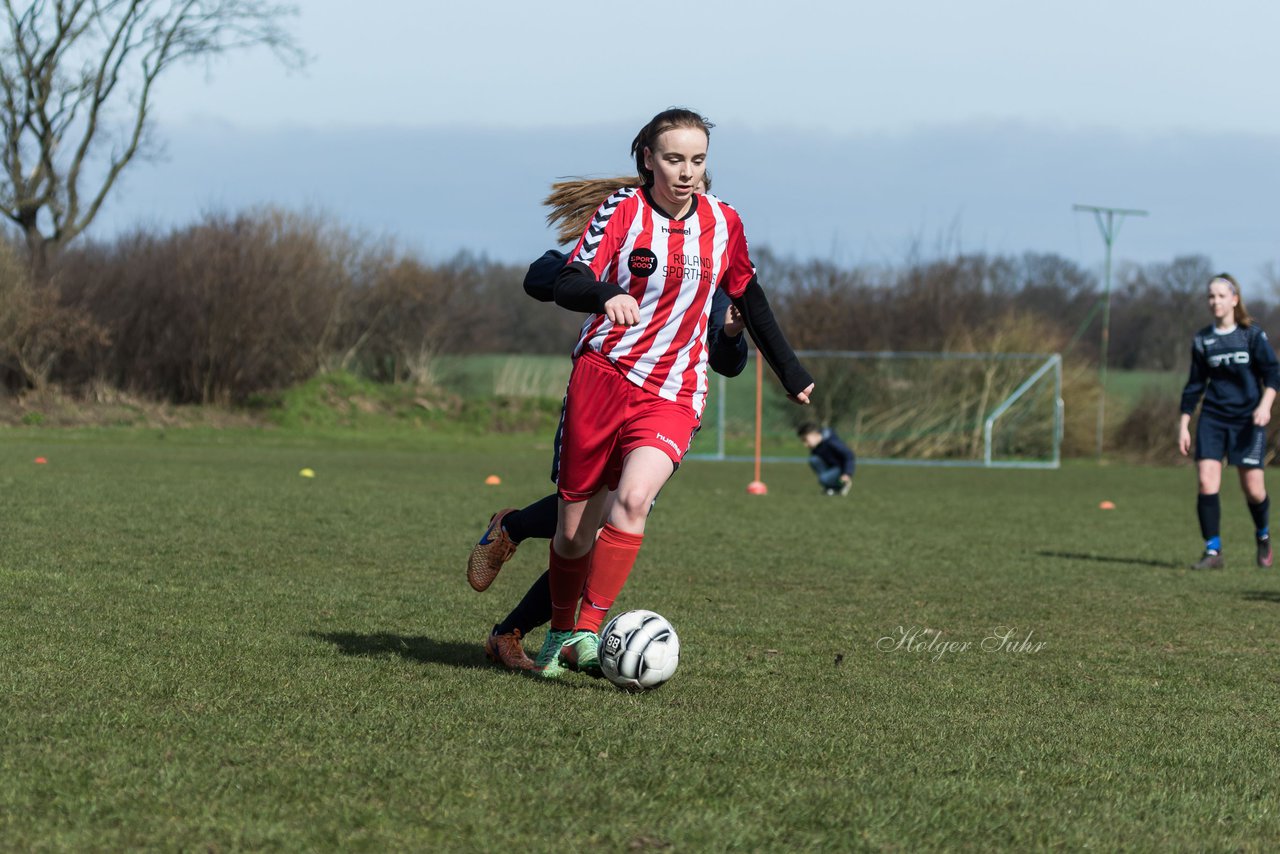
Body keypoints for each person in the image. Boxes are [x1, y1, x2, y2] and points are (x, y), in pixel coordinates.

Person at [533, 107, 814, 678]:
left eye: (697, 159)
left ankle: (588, 632)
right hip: (604, 374)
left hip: (675, 387)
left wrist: (791, 371)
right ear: (648, 160)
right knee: (571, 531)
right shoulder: (623, 211)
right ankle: (559, 629)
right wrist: (604, 293)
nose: (687, 171)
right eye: (674, 159)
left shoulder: (725, 221)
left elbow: (749, 295)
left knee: (634, 500)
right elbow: (567, 277)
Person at [472, 174, 751, 672]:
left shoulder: (712, 258)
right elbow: (542, 277)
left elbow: (729, 360)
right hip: (605, 387)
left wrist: (730, 334)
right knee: (579, 523)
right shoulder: (624, 238)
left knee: (612, 518)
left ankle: (555, 630)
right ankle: (512, 575)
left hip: (666, 401)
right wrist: (598, 291)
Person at [1178, 272, 1280, 570]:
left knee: (1253, 489)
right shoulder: (1203, 340)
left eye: (1221, 295)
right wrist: (1184, 423)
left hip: (1248, 419)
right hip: (1213, 417)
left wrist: (1265, 405)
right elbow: (1194, 385)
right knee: (1206, 481)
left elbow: (1273, 374)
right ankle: (1213, 551)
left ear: (1235, 299)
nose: (1215, 301)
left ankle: (1262, 535)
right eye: (1211, 296)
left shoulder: (1251, 335)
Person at [797, 422, 855, 495]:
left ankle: (843, 484)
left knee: (824, 479)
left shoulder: (831, 441)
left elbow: (849, 455)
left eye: (805, 440)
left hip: (840, 468)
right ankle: (830, 488)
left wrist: (847, 473)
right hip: (831, 466)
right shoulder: (816, 446)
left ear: (813, 435)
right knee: (814, 459)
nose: (805, 444)